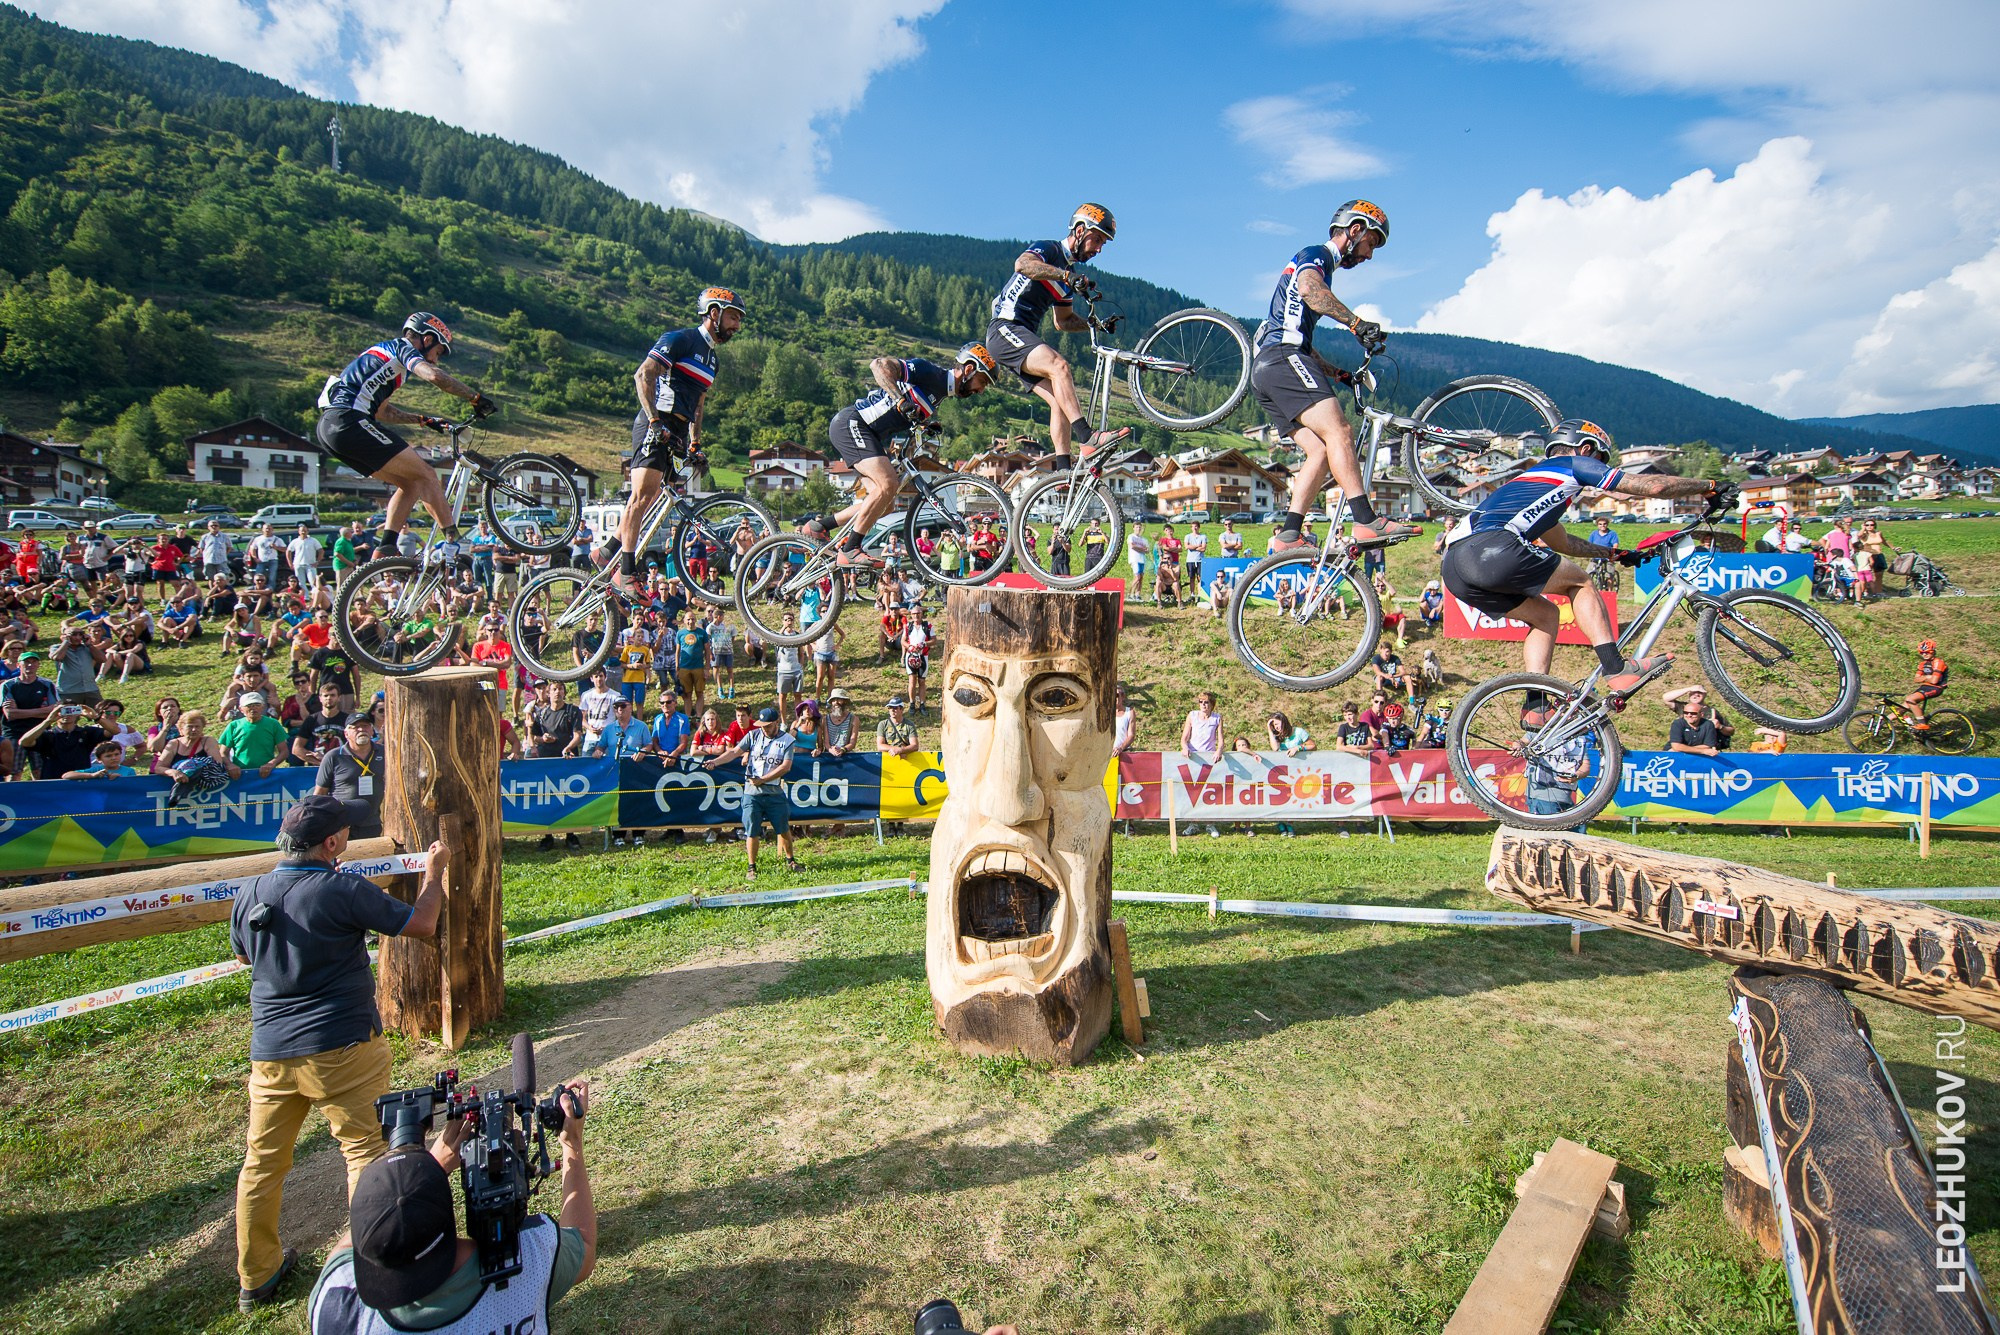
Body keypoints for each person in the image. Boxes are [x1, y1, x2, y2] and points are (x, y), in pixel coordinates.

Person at [230, 794, 449, 1313]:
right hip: (342, 1047)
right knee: (365, 1155)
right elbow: (420, 925)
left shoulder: (250, 889)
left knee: (261, 1165)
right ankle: (369, 1269)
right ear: (331, 843)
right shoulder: (341, 886)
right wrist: (434, 873)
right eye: (344, 836)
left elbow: (244, 956)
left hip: (271, 1051)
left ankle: (255, 1275)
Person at [1438, 418, 1718, 724]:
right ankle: (1616, 667)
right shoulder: (1573, 464)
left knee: (1545, 615)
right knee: (1582, 583)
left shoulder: (1533, 484)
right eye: (1600, 460)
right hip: (1492, 548)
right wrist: (1711, 487)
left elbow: (1564, 542)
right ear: (1586, 448)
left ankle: (1535, 705)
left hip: (1454, 567)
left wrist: (1613, 552)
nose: (1600, 469)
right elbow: (1655, 486)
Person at [307, 1073, 595, 1335]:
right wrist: (571, 1143)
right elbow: (583, 1244)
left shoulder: (336, 1308)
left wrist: (428, 1170)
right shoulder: (532, 1259)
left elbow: (344, 1252)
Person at [1249, 200, 1416, 552]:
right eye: (1371, 243)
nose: (1369, 255)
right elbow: (1311, 291)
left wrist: (1338, 374)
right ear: (1354, 230)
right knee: (1340, 431)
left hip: (1270, 368)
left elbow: (1305, 344)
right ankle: (1366, 520)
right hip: (1282, 357)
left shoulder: (1318, 268)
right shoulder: (1317, 255)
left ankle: (1288, 534)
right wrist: (1356, 324)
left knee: (1320, 451)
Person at [316, 312, 494, 553]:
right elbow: (434, 376)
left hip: (331, 428)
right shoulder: (403, 348)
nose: (436, 360)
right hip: (348, 421)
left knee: (412, 484)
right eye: (438, 352)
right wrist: (475, 397)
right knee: (427, 474)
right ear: (427, 339)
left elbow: (381, 412)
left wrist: (421, 420)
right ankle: (455, 541)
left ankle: (386, 548)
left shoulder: (383, 357)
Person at [806, 345, 998, 568]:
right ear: (969, 370)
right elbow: (878, 365)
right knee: (888, 484)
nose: (981, 390)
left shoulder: (939, 396)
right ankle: (851, 549)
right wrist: (900, 400)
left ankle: (819, 527)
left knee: (884, 503)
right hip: (853, 424)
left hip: (870, 436)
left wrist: (924, 423)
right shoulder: (930, 372)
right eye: (983, 381)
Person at [615, 289, 742, 594]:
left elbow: (699, 404)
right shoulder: (680, 339)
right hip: (657, 421)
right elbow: (643, 375)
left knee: (660, 496)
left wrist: (695, 444)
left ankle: (606, 550)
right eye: (733, 316)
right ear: (714, 312)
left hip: (679, 429)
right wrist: (655, 421)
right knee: (641, 497)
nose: (737, 325)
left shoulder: (713, 359)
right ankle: (625, 571)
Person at [985, 204, 1131, 465]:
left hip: (1018, 337)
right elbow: (1023, 265)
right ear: (1079, 230)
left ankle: (1061, 471)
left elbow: (1063, 322)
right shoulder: (1050, 249)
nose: (1098, 249)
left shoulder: (1068, 278)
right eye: (1097, 239)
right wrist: (1065, 275)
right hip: (1004, 329)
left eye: (1103, 244)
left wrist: (1094, 324)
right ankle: (1088, 438)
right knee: (1059, 366)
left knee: (1059, 400)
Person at [704, 705, 799, 878]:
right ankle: (751, 866)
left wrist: (763, 779)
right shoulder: (752, 736)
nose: (764, 728)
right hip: (751, 793)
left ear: (776, 722)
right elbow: (734, 752)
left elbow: (786, 766)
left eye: (768, 725)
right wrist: (715, 762)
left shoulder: (787, 741)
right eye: (762, 725)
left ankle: (791, 860)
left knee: (783, 828)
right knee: (752, 830)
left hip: (774, 792)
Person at [315, 712, 386, 838]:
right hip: (342, 825)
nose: (361, 729)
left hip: (373, 823)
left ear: (371, 730)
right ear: (346, 733)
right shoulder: (333, 756)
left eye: (365, 726)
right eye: (355, 727)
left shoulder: (385, 752)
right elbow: (320, 793)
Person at [1, 650, 57, 774]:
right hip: (15, 733)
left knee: (40, 771)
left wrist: (20, 711)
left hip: (40, 732)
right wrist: (42, 711)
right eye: (26, 662)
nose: (30, 665)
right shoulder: (8, 685)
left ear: (38, 665)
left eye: (33, 662)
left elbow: (54, 711)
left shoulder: (47, 685)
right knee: (14, 773)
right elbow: (10, 714)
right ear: (18, 665)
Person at [21, 703, 107, 780]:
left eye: (70, 710)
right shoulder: (48, 735)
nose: (67, 714)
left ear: (77, 713)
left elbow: (114, 731)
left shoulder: (86, 732)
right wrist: (48, 721)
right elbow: (24, 742)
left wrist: (96, 717)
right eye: (63, 711)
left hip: (81, 780)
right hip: (53, 781)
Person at [219, 692, 290, 779]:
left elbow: (284, 751)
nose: (253, 708)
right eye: (249, 705)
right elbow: (223, 753)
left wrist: (271, 764)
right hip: (240, 775)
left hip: (267, 774)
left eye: (257, 704)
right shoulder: (233, 726)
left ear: (263, 706)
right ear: (241, 709)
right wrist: (230, 765)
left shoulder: (273, 724)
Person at [1662, 685, 1734, 750]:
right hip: (1682, 746)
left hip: (1703, 748)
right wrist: (1688, 688)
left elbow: (1731, 731)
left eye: (1699, 693)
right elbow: (1666, 698)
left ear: (1705, 695)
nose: (1689, 715)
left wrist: (1720, 726)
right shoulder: (1683, 707)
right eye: (1693, 693)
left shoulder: (1713, 712)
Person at [49, 622, 103, 707]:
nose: (78, 637)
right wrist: (66, 642)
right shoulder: (57, 647)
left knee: (99, 714)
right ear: (65, 636)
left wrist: (90, 645)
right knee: (69, 717)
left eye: (80, 634)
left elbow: (102, 659)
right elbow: (57, 657)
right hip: (69, 691)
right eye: (73, 634)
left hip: (90, 689)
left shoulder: (87, 648)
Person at [1908, 638, 1948, 729]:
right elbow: (1916, 679)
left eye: (1927, 652)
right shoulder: (1923, 664)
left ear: (1933, 651)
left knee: (1910, 699)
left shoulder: (1938, 662)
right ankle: (1882, 722)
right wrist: (1927, 677)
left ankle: (1922, 724)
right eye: (1921, 653)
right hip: (1925, 687)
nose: (1924, 654)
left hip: (1936, 688)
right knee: (1903, 707)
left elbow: (1934, 681)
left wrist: (1924, 678)